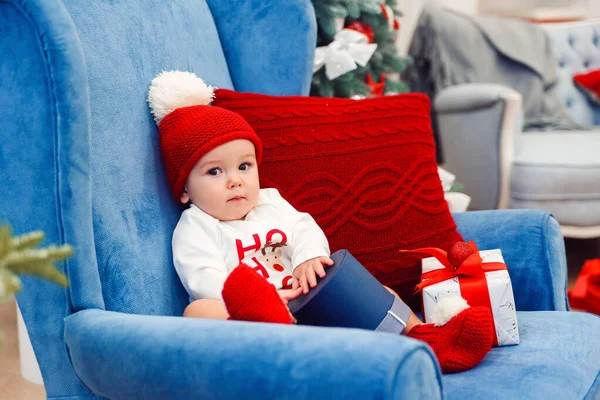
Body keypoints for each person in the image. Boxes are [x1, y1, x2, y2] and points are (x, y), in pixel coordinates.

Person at [147, 71, 494, 373]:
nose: (235, 181)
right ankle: (275, 338)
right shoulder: (197, 226)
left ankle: (425, 339)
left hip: (309, 301)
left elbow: (303, 227)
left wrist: (308, 258)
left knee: (372, 288)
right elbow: (204, 276)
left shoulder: (270, 201)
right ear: (184, 190)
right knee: (198, 310)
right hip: (258, 322)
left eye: (244, 166)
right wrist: (260, 299)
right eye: (214, 171)